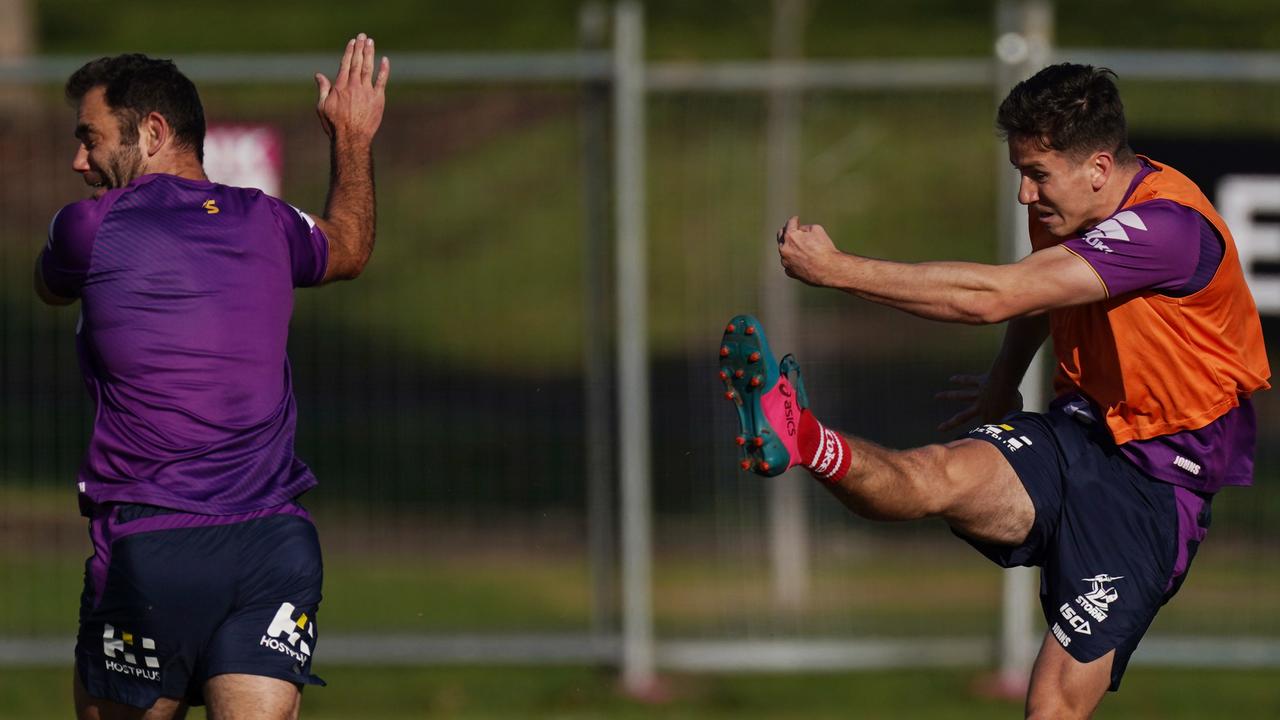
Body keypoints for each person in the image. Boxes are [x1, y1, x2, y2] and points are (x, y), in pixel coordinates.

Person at [718, 63, 1269, 719]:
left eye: (1037, 174)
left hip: (1155, 486)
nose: (1024, 194)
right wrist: (1002, 384)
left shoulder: (1170, 230)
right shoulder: (1069, 206)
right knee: (933, 478)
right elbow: (1042, 298)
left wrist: (838, 271)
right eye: (1021, 172)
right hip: (1075, 434)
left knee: (1053, 707)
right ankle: (804, 436)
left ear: (1098, 166)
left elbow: (997, 297)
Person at [35, 34, 389, 719]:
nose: (79, 160)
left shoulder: (89, 229)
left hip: (154, 542)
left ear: (153, 131)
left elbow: (51, 287)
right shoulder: (269, 220)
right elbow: (347, 247)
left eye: (91, 138)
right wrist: (351, 136)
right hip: (273, 548)